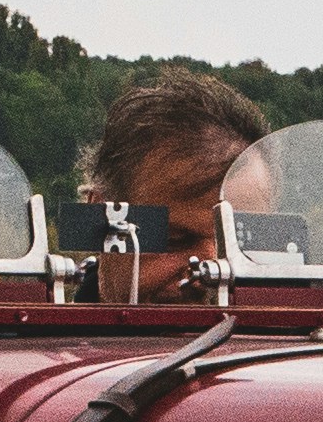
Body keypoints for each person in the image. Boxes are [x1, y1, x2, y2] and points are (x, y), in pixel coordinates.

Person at [84, 68, 270, 301]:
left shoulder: (313, 336)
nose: (212, 273)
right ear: (98, 218)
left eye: (241, 246)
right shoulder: (32, 337)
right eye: (176, 240)